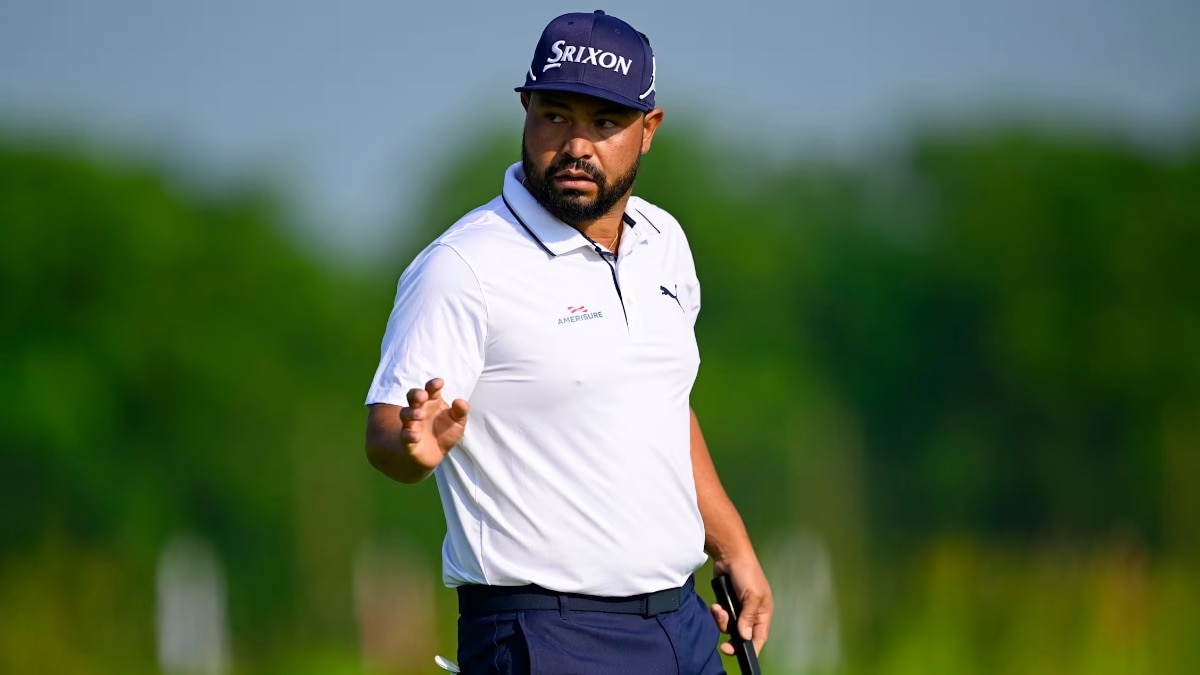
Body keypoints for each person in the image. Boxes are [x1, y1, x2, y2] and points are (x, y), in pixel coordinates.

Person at [364, 9, 772, 673]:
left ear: (649, 131)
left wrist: (733, 546)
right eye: (555, 115)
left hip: (682, 623)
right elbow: (387, 431)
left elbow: (662, 406)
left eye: (605, 123)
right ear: (525, 110)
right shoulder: (463, 265)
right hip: (544, 634)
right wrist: (415, 448)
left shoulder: (665, 242)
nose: (576, 144)